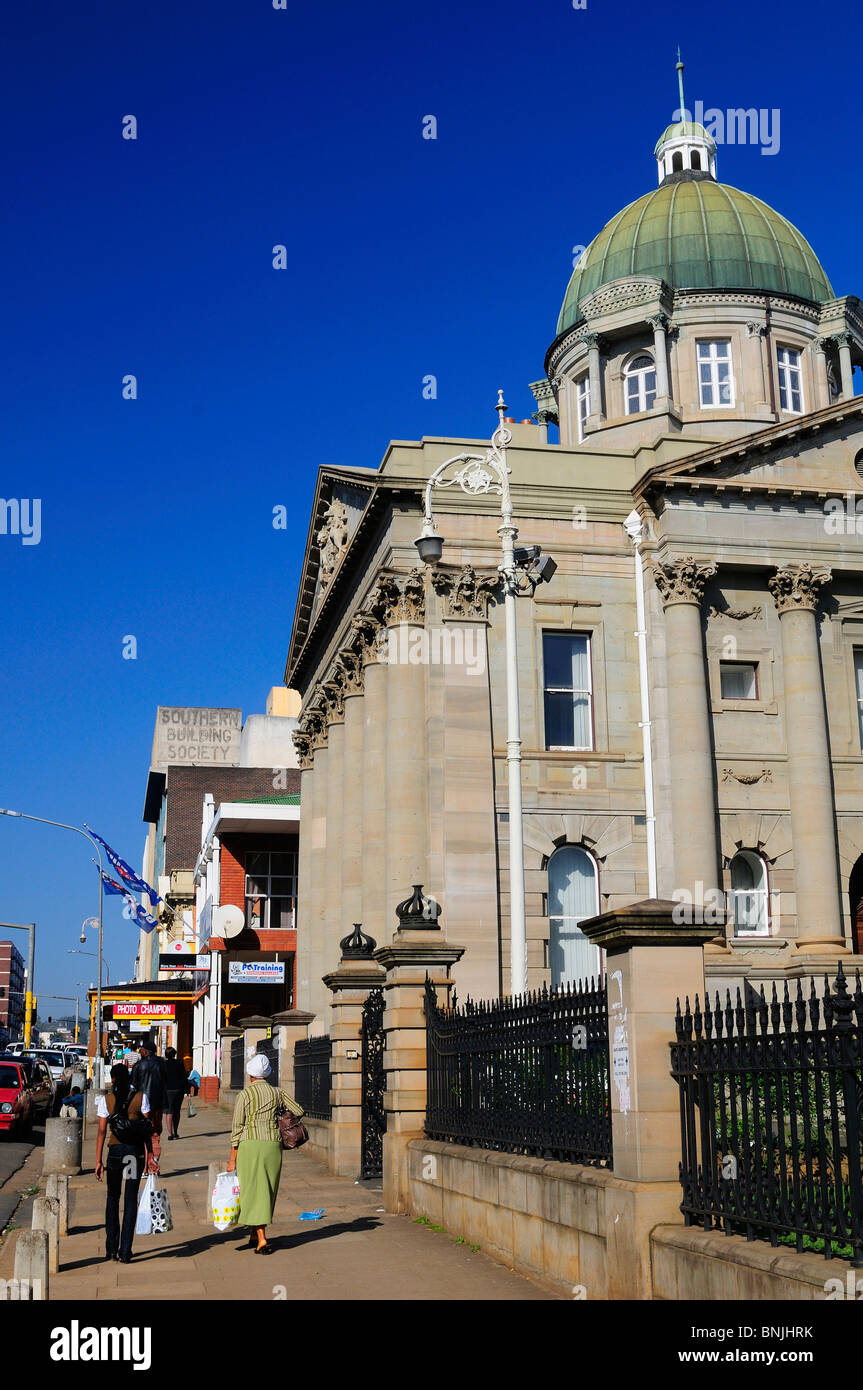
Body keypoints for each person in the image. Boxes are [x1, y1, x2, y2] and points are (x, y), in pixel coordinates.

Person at [226, 1054, 304, 1254]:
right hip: (272, 1145)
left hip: (250, 1144)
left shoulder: (244, 1095)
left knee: (253, 1190)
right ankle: (254, 1233)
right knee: (267, 1189)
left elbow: (237, 1128)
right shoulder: (277, 1092)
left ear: (250, 1074)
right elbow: (299, 1110)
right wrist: (279, 1115)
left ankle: (262, 1239)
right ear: (267, 1073)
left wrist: (232, 1158)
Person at [95, 1064, 156, 1263]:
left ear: (112, 1080)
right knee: (130, 1200)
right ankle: (125, 1251)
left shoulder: (107, 1100)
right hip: (133, 1154)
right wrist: (150, 1156)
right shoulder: (140, 1097)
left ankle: (111, 1248)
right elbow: (147, 1128)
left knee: (112, 1197)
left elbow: (102, 1131)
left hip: (115, 1152)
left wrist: (98, 1161)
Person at [130, 1038, 167, 1166]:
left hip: (142, 1104)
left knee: (144, 1133)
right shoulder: (162, 1063)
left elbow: (133, 1086)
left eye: (141, 1051)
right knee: (155, 1134)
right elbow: (165, 1083)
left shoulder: (138, 1065)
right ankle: (154, 1162)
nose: (140, 1052)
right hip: (157, 1103)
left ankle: (145, 1165)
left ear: (145, 1052)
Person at [162, 1047, 189, 1140]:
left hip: (167, 1090)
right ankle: (176, 1132)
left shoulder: (163, 1064)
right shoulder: (179, 1063)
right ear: (174, 1054)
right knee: (176, 1111)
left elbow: (162, 1078)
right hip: (178, 1090)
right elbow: (184, 1077)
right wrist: (187, 1090)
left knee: (169, 1111)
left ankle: (170, 1133)